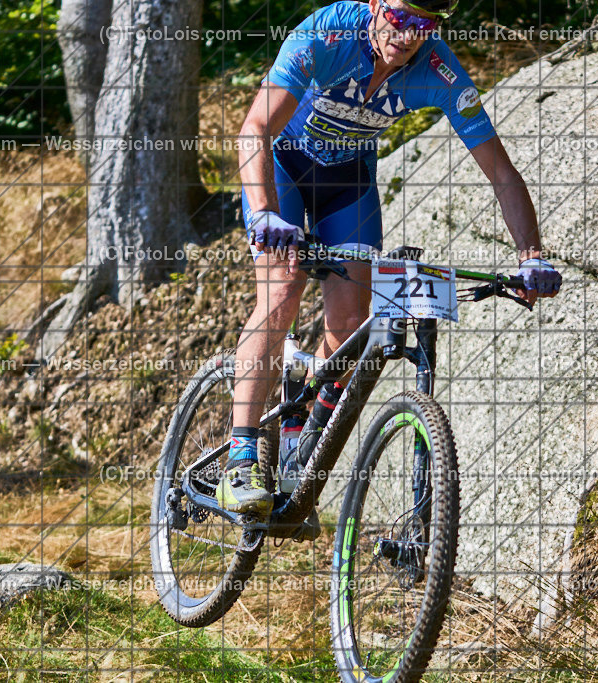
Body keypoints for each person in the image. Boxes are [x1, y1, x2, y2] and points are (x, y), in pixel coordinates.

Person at [216, 0, 562, 517]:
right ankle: (241, 458)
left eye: (425, 24)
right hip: (282, 167)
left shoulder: (439, 69)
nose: (409, 34)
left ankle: (300, 438)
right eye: (400, 16)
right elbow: (254, 129)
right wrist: (263, 212)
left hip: (348, 182)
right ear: (376, 5)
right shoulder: (327, 36)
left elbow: (502, 172)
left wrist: (531, 256)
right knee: (284, 288)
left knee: (353, 321)